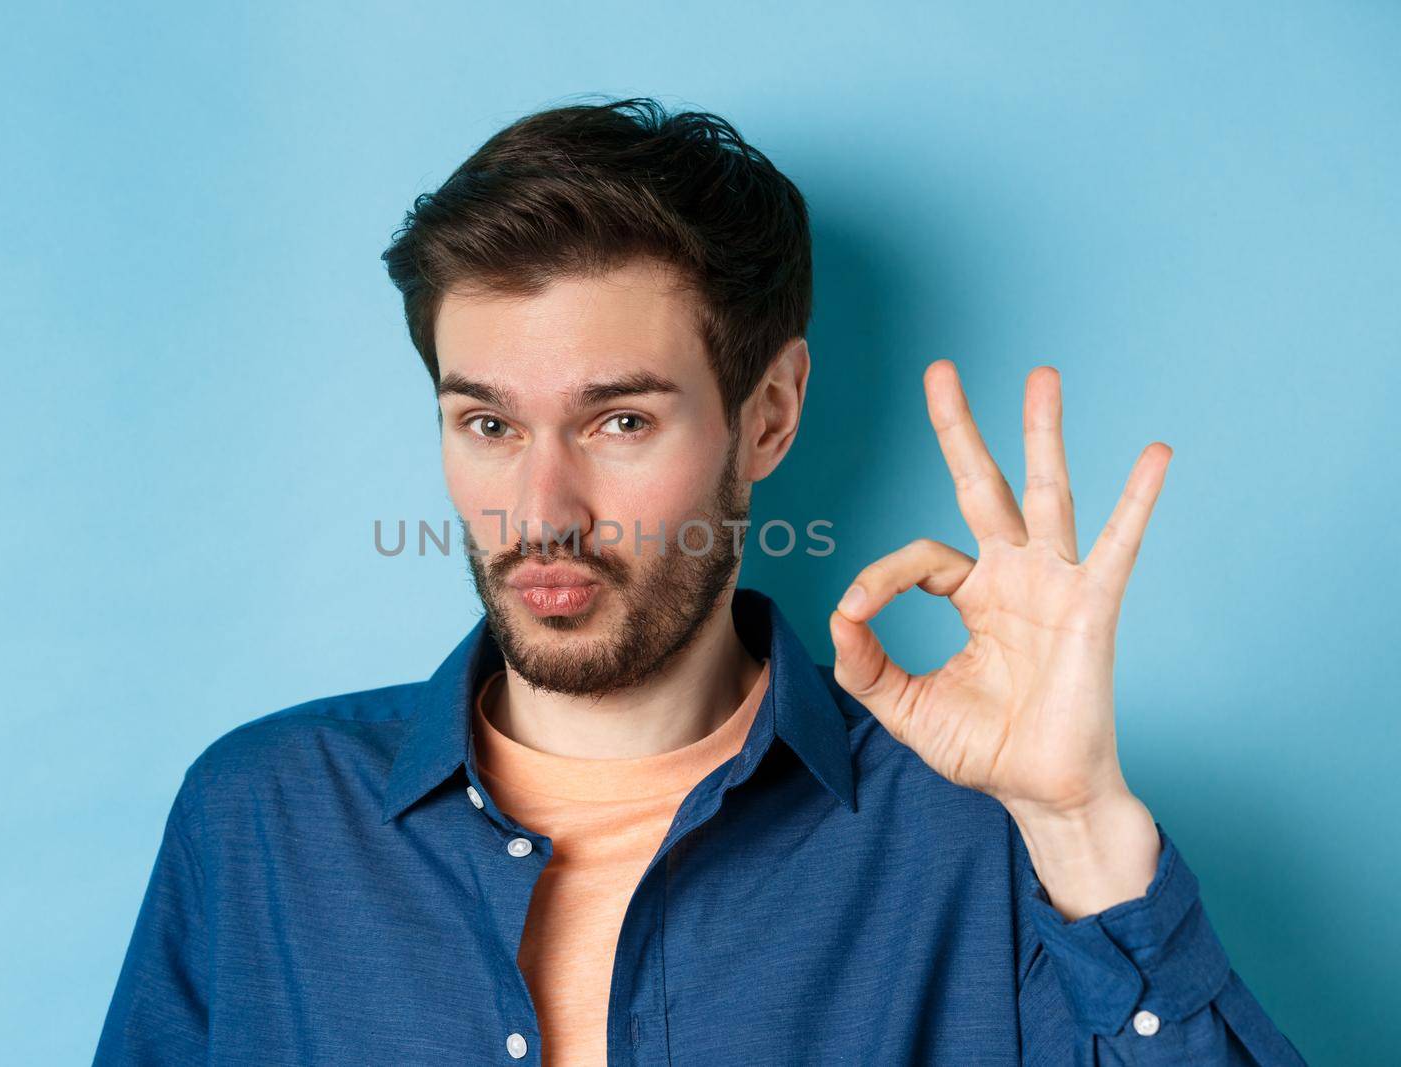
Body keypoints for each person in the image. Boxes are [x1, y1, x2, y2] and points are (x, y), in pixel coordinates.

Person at [93, 97, 1308, 1065]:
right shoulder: (261, 819)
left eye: (618, 421)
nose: (542, 512)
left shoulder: (971, 842)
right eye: (486, 424)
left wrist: (1081, 826)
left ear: (767, 417)